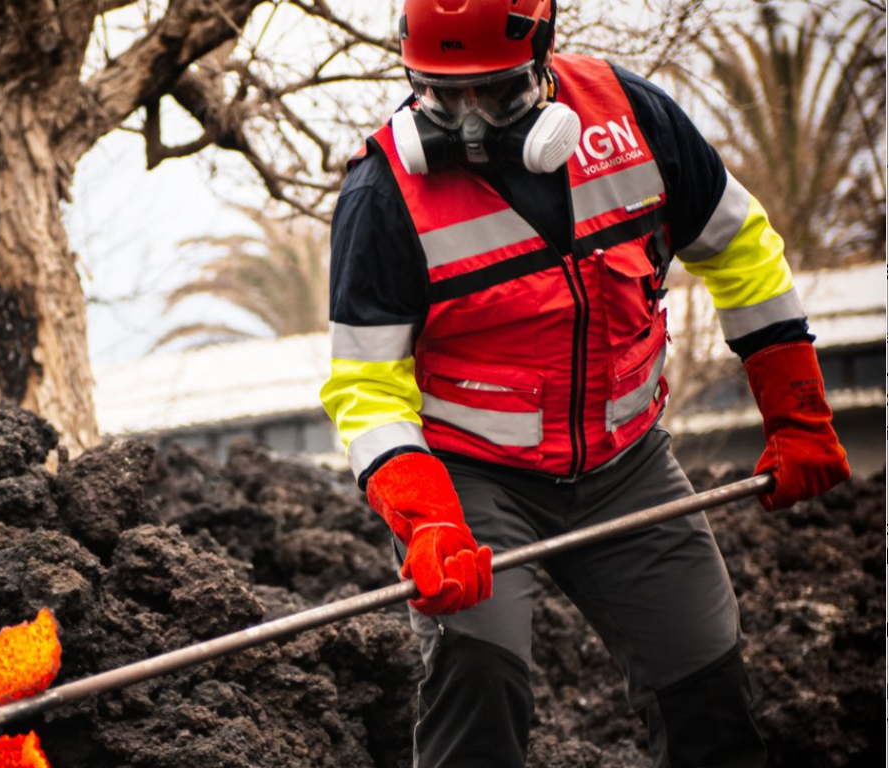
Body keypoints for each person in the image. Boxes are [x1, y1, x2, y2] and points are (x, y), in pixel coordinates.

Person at [319, 1, 851, 766]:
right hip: (473, 483)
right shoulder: (382, 196)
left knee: (709, 689)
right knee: (478, 688)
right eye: (442, 95)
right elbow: (366, 385)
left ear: (542, 61)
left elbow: (739, 250)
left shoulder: (632, 119)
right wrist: (426, 518)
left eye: (496, 94)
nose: (469, 126)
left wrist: (795, 410)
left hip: (626, 468)